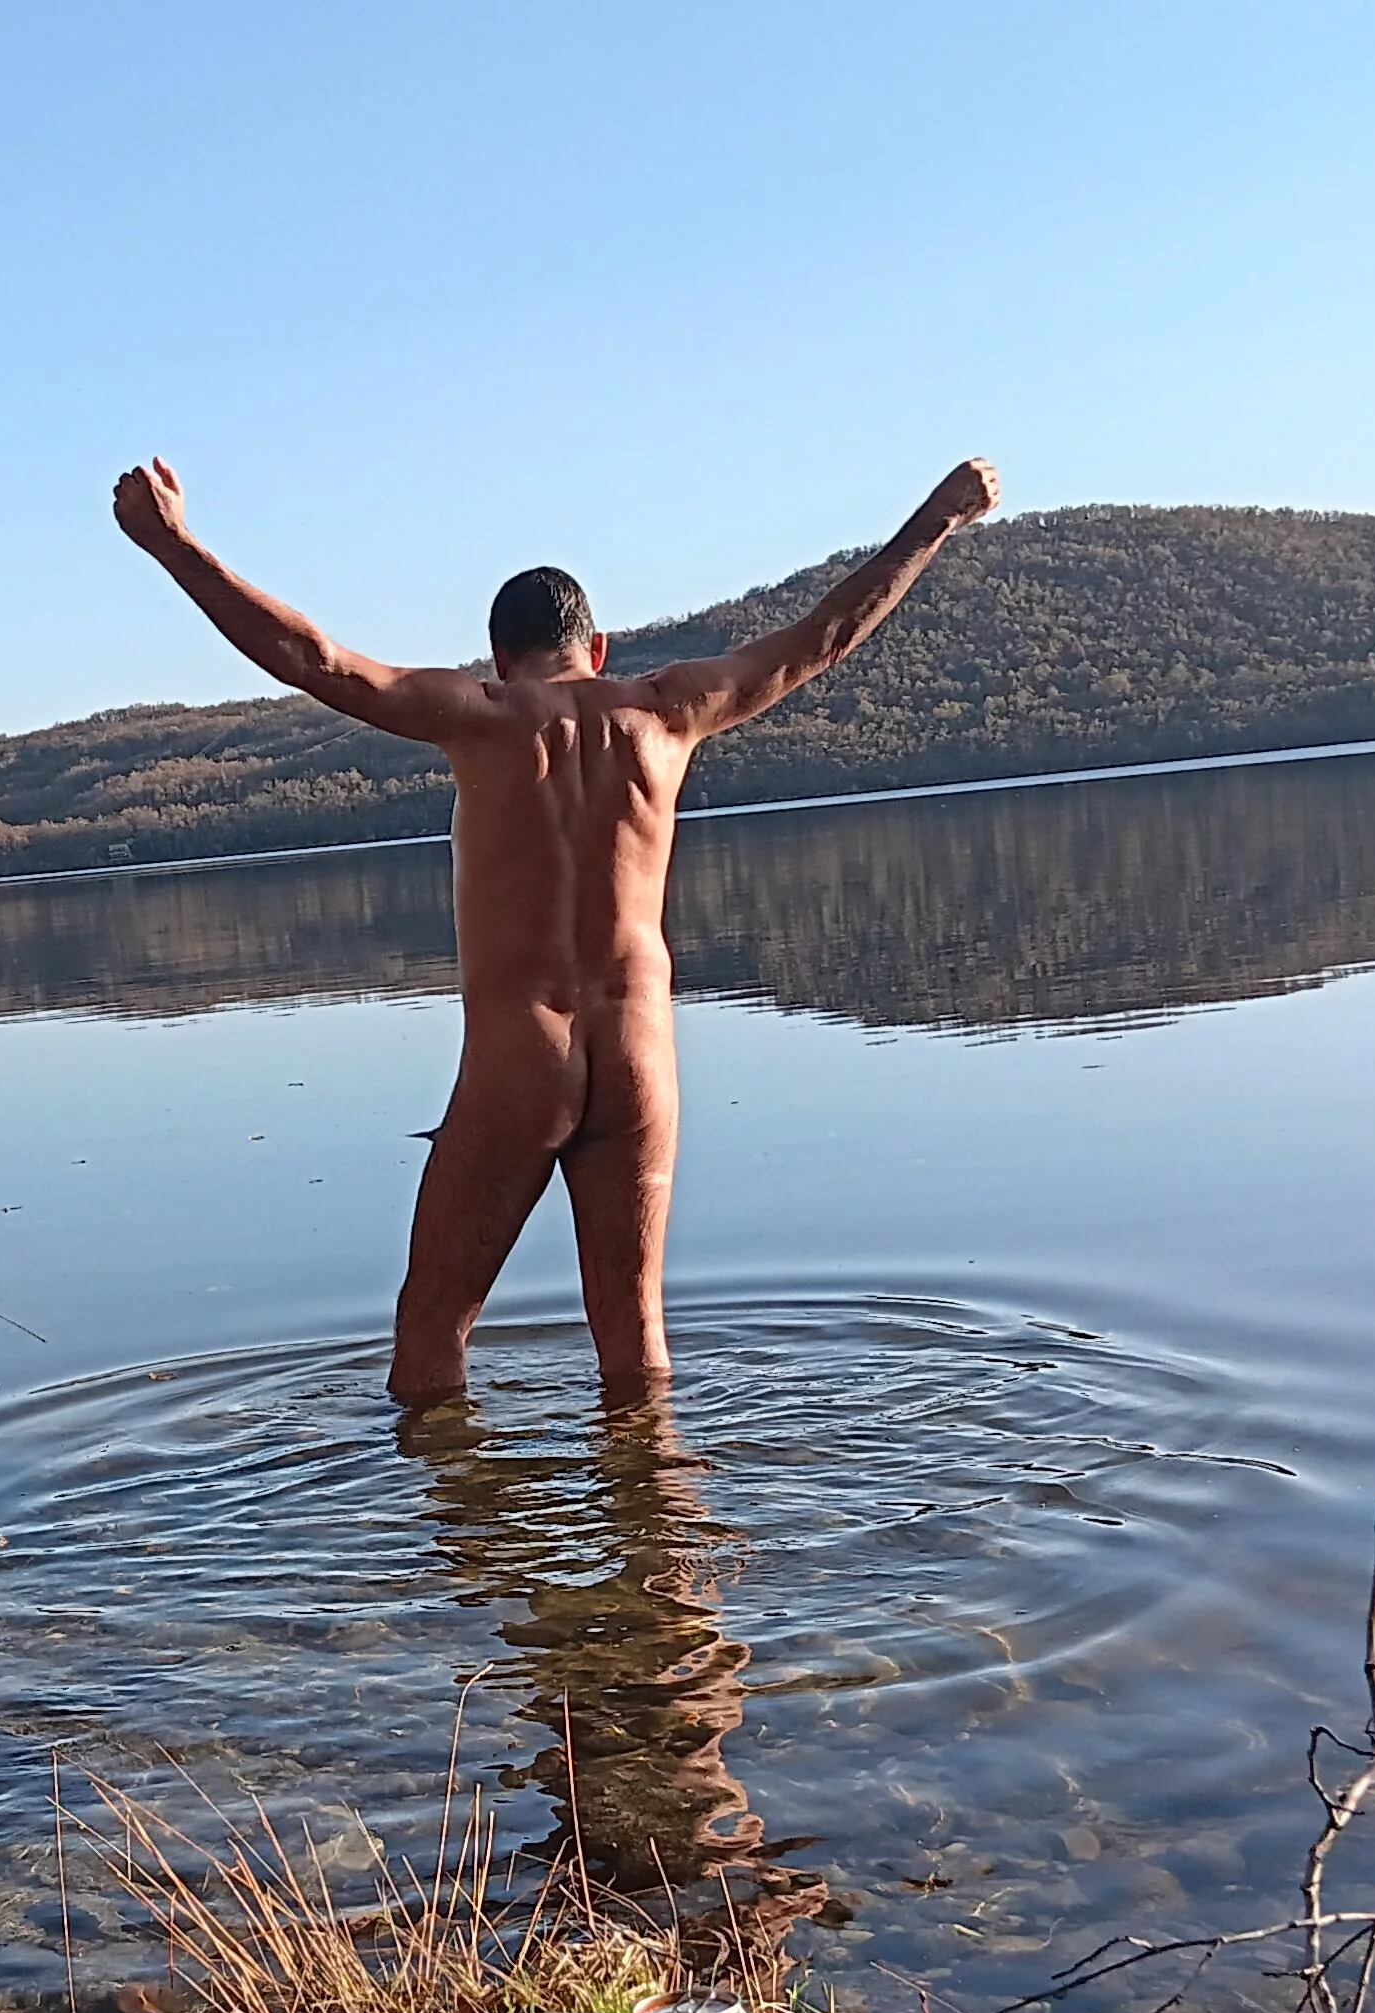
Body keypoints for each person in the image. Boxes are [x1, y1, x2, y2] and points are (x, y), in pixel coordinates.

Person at [113, 454, 1001, 1407]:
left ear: (498, 657)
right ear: (599, 648)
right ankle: (655, 1499)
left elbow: (319, 661)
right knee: (635, 1336)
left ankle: (456, 1502)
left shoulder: (484, 717)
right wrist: (937, 521)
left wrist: (173, 543)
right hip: (639, 1054)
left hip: (521, 1059)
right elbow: (819, 638)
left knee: (431, 1334)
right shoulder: (670, 712)